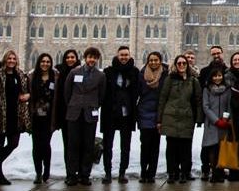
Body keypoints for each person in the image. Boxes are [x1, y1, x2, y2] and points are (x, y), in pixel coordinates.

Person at [63, 47, 107, 186]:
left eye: (94, 57)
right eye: (89, 57)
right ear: (85, 58)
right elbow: (67, 92)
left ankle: (85, 175)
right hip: (74, 113)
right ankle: (71, 175)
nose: (91, 60)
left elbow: (102, 95)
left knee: (88, 145)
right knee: (73, 145)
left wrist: (93, 105)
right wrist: (73, 104)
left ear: (97, 59)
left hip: (90, 113)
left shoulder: (101, 76)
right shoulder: (74, 72)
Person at [158, 55, 202, 184]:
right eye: (179, 63)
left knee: (185, 148)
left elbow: (198, 100)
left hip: (187, 117)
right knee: (171, 148)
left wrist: (199, 118)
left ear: (187, 65)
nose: (181, 65)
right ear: (176, 65)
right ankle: (172, 173)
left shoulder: (193, 81)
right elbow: (163, 98)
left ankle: (184, 173)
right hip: (170, 117)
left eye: (184, 63)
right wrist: (159, 119)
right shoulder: (169, 79)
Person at [101, 46, 140, 184]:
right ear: (117, 56)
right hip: (110, 113)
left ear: (129, 56)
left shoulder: (134, 72)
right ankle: (108, 173)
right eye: (121, 55)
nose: (124, 57)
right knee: (107, 145)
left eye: (126, 55)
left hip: (126, 113)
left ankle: (122, 172)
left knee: (125, 145)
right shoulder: (108, 72)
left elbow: (137, 90)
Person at [0, 50, 24, 185]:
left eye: (14, 59)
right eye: (9, 58)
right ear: (5, 60)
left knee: (13, 143)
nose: (12, 61)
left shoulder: (19, 74)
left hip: (15, 114)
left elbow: (24, 90)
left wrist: (26, 95)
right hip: (1, 114)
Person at [25, 53, 58, 184]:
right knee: (36, 146)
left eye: (48, 61)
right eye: (43, 61)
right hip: (35, 117)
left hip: (49, 117)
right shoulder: (32, 77)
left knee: (46, 145)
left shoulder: (56, 77)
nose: (45, 64)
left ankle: (47, 170)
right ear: (39, 63)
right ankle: (38, 172)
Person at [137, 52, 168, 184]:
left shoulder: (165, 75)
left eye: (156, 60)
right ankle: (143, 172)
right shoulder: (142, 74)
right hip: (144, 112)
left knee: (155, 146)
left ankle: (151, 174)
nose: (153, 62)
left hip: (158, 113)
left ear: (160, 61)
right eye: (151, 60)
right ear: (147, 61)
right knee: (145, 145)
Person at [201, 67, 233, 183]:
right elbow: (206, 107)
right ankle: (214, 173)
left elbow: (229, 105)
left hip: (224, 123)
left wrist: (225, 119)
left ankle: (221, 173)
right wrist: (216, 121)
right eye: (215, 76)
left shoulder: (227, 90)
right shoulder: (207, 89)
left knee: (222, 149)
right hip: (212, 124)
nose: (217, 78)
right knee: (212, 149)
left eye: (219, 75)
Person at [54, 49, 80, 170]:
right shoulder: (58, 72)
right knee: (68, 143)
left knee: (78, 142)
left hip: (78, 112)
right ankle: (69, 171)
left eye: (72, 57)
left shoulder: (81, 71)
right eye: (68, 57)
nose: (70, 59)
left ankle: (78, 169)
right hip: (64, 112)